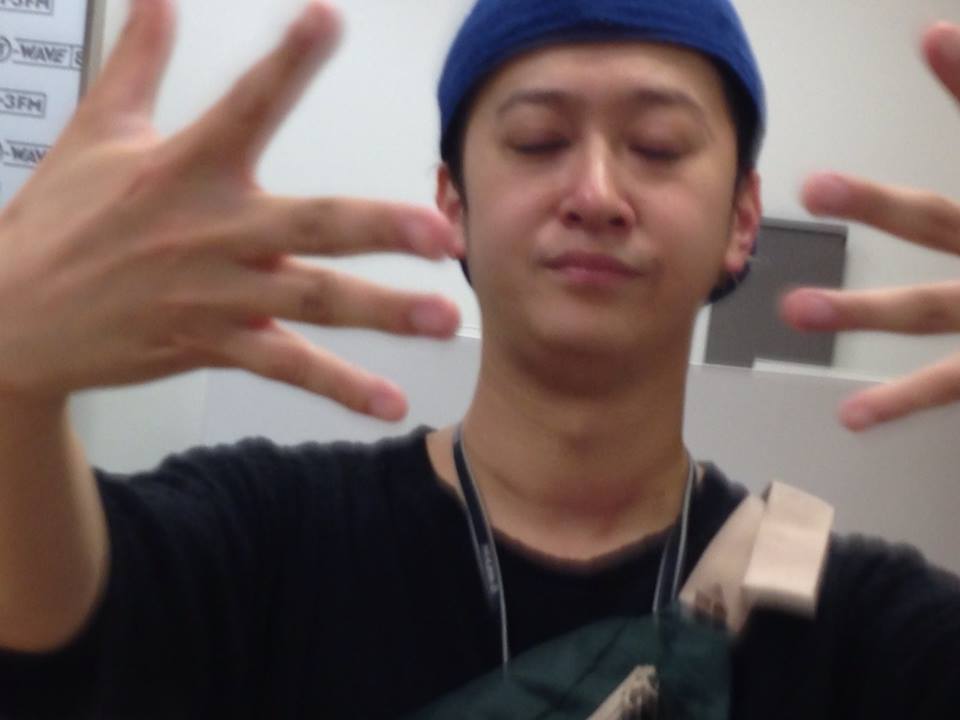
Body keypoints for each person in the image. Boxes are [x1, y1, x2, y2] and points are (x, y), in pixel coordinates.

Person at [0, 0, 958, 717]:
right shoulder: (267, 546)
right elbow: (55, 635)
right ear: (452, 202)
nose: (595, 193)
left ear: (742, 219)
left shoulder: (857, 629)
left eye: (659, 147)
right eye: (538, 140)